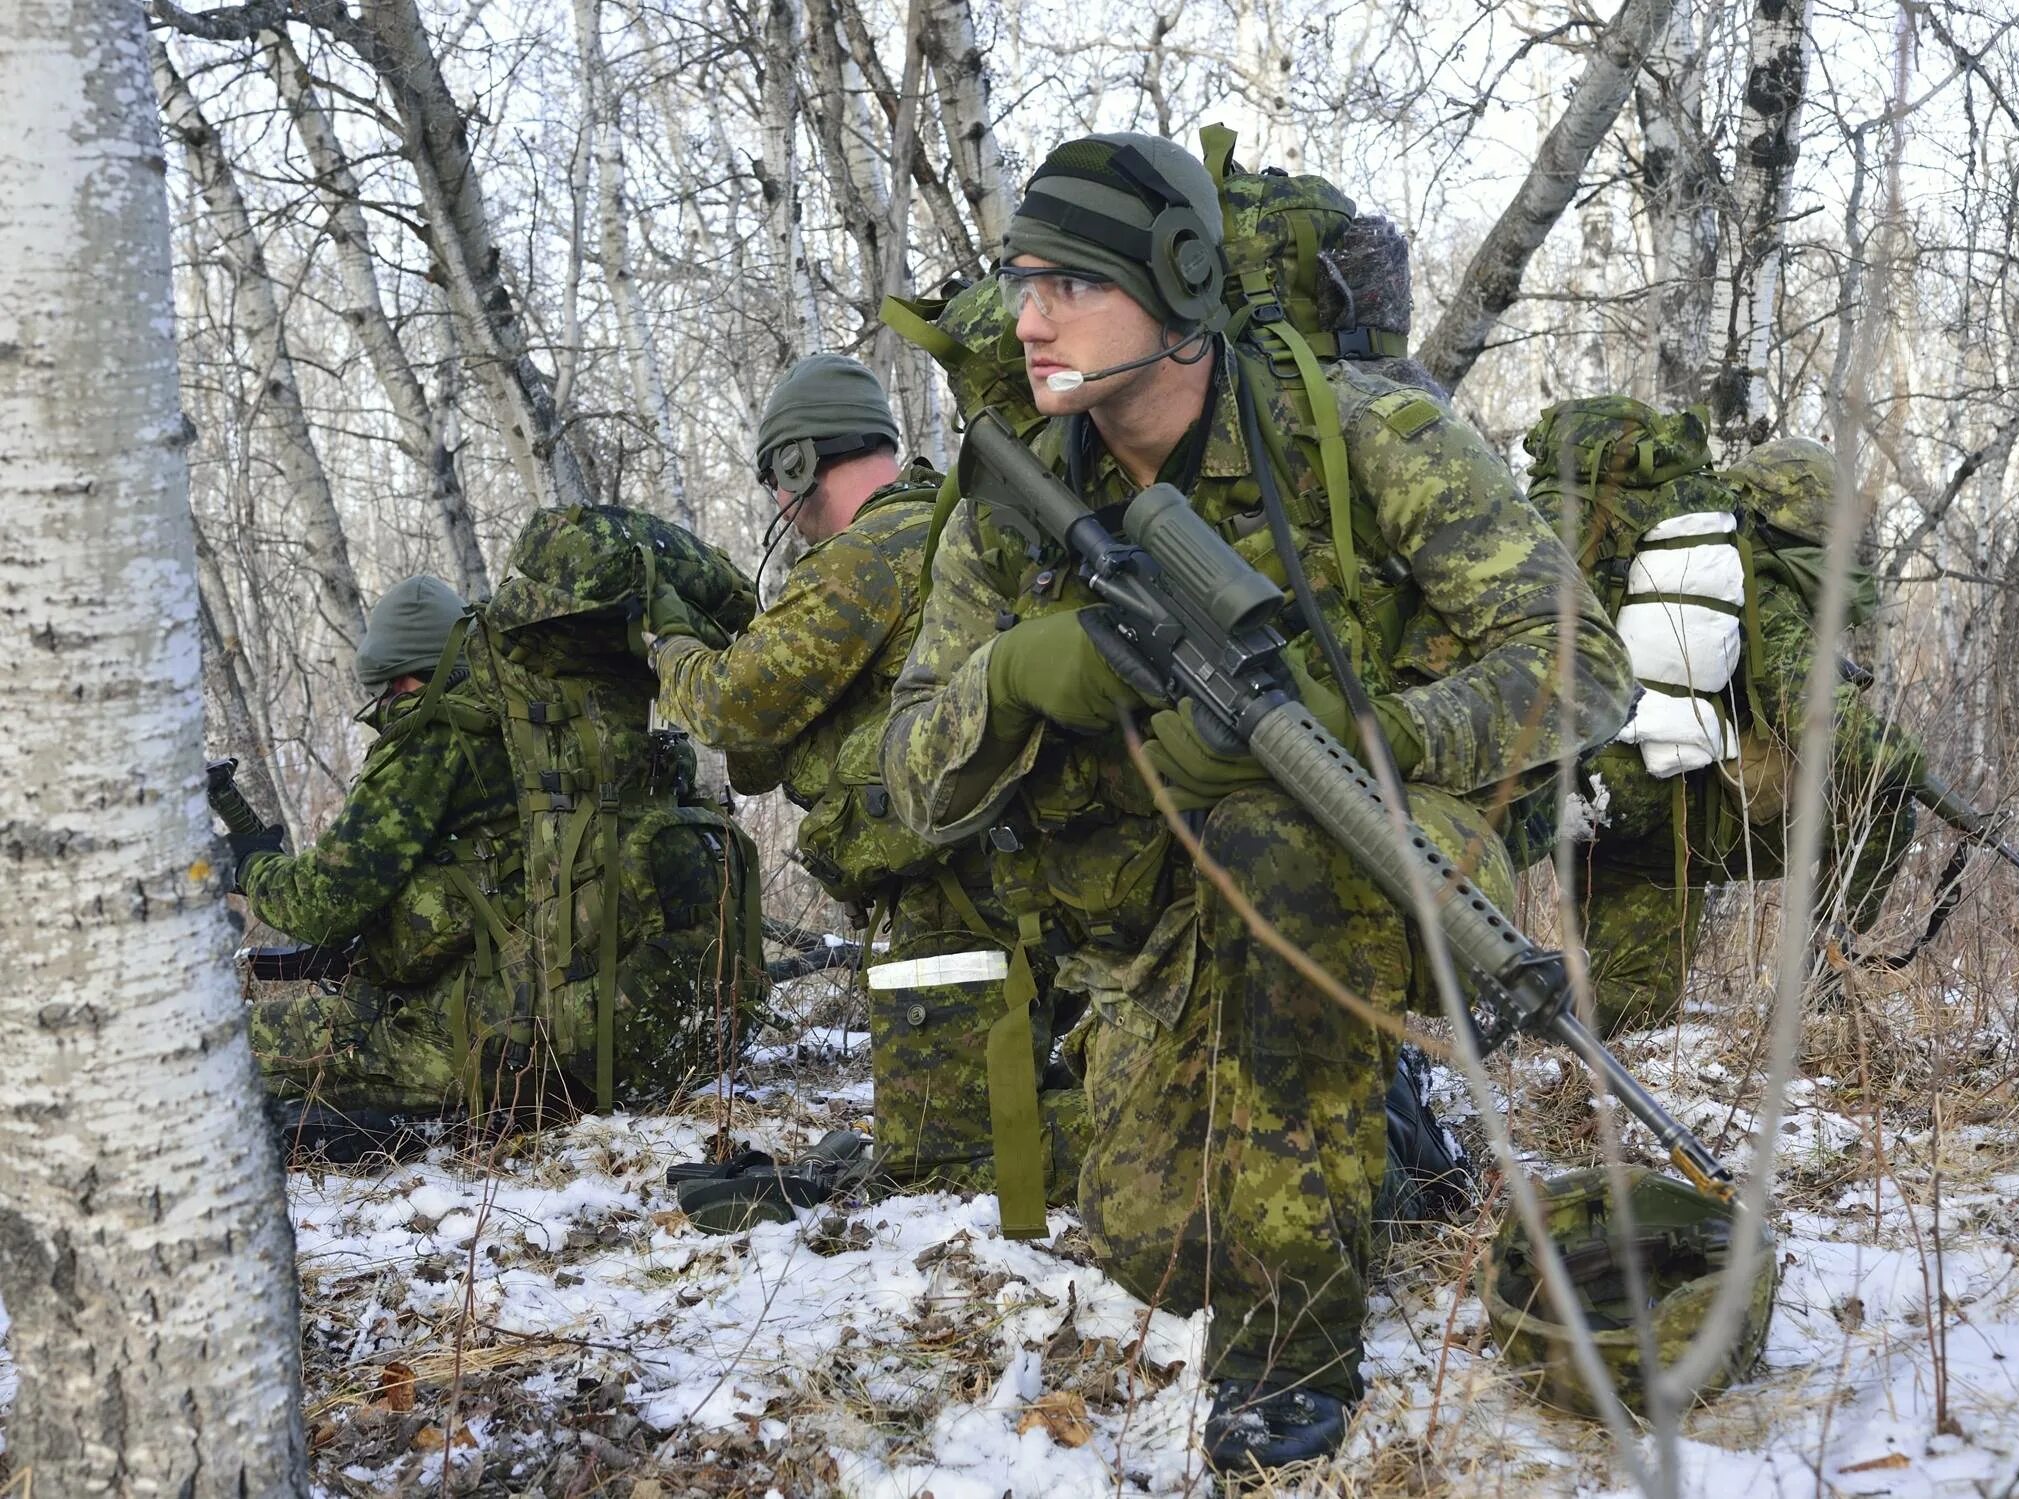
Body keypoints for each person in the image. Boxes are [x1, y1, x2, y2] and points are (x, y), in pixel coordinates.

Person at [881, 131, 1635, 1469]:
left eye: (1070, 284)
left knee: (1279, 831)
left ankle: (1288, 1356)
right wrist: (1018, 674)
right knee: (1159, 1245)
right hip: (1152, 906)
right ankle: (1387, 1131)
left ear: (1177, 293)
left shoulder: (1359, 431)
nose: (1028, 317)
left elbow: (1581, 665)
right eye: (1018, 279)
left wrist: (1374, 731)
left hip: (1376, 836)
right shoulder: (1016, 503)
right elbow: (913, 783)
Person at [649, 354, 1085, 1220]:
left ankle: (1206, 1142)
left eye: (779, 476)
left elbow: (736, 706)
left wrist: (666, 654)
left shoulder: (865, 557)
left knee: (959, 1169)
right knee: (949, 1135)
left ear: (802, 464)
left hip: (961, 902)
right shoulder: (945, 526)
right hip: (1022, 883)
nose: (781, 502)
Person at [233, 573, 756, 1143]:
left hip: (482, 1041)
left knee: (223, 1046)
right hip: (575, 1029)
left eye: (383, 692)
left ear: (403, 678)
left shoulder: (436, 738)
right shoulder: (550, 730)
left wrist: (252, 866)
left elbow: (321, 903)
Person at [1574, 437, 1926, 1033]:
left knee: (1626, 1009)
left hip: (1593, 801)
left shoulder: (1650, 560)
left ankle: (1496, 1029)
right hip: (1676, 816)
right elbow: (1825, 724)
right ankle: (1816, 994)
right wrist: (1912, 767)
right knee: (1887, 804)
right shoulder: (1756, 583)